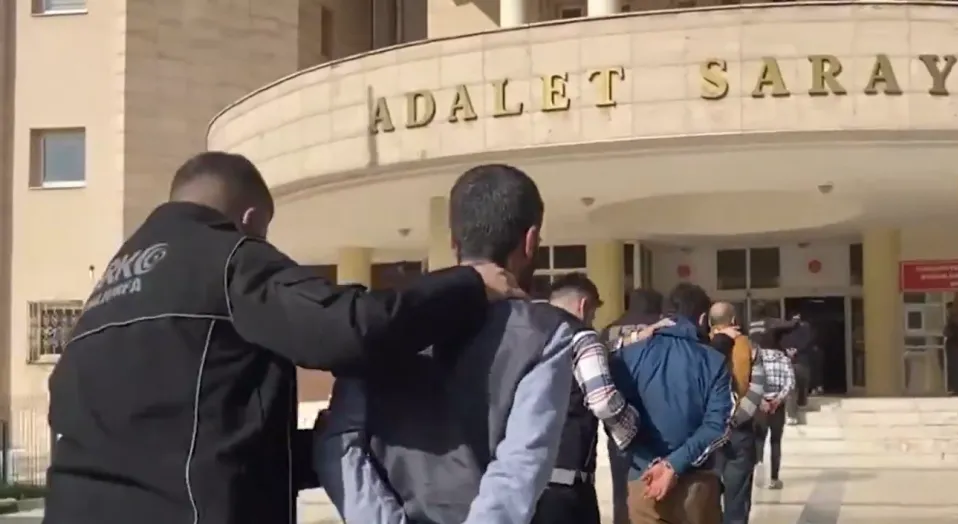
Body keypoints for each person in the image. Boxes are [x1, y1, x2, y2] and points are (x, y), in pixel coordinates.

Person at [44, 152, 520, 524]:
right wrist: (467, 285)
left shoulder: (105, 294)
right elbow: (348, 327)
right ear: (250, 219)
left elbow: (183, 440)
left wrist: (325, 446)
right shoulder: (227, 257)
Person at [313, 163, 576, 524]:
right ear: (530, 241)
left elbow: (340, 445)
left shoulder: (384, 320)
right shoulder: (545, 332)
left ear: (453, 240)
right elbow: (519, 471)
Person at [610, 283, 733, 524]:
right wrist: (673, 465)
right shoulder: (713, 361)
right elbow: (717, 426)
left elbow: (611, 411)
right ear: (702, 318)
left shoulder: (627, 356)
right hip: (696, 486)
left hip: (643, 480)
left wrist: (646, 459)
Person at [532, 273, 641, 524]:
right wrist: (632, 429)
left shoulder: (529, 334)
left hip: (526, 482)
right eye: (592, 314)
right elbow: (603, 402)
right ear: (583, 305)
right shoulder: (582, 337)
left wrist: (633, 339)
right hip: (567, 487)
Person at [600, 288, 664, 524]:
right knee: (654, 488)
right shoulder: (662, 329)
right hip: (656, 422)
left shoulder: (609, 330)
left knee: (621, 488)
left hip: (618, 421)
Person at [707, 302, 768, 524]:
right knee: (738, 496)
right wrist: (736, 418)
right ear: (733, 320)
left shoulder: (700, 345)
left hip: (708, 432)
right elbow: (757, 389)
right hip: (740, 431)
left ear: (709, 321)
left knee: (707, 496)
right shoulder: (750, 346)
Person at [756, 339, 795, 490]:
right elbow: (790, 383)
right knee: (776, 441)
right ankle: (774, 478)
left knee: (759, 439)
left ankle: (758, 470)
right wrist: (778, 400)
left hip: (761, 405)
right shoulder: (784, 359)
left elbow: (753, 381)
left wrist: (761, 400)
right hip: (777, 407)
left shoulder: (758, 359)